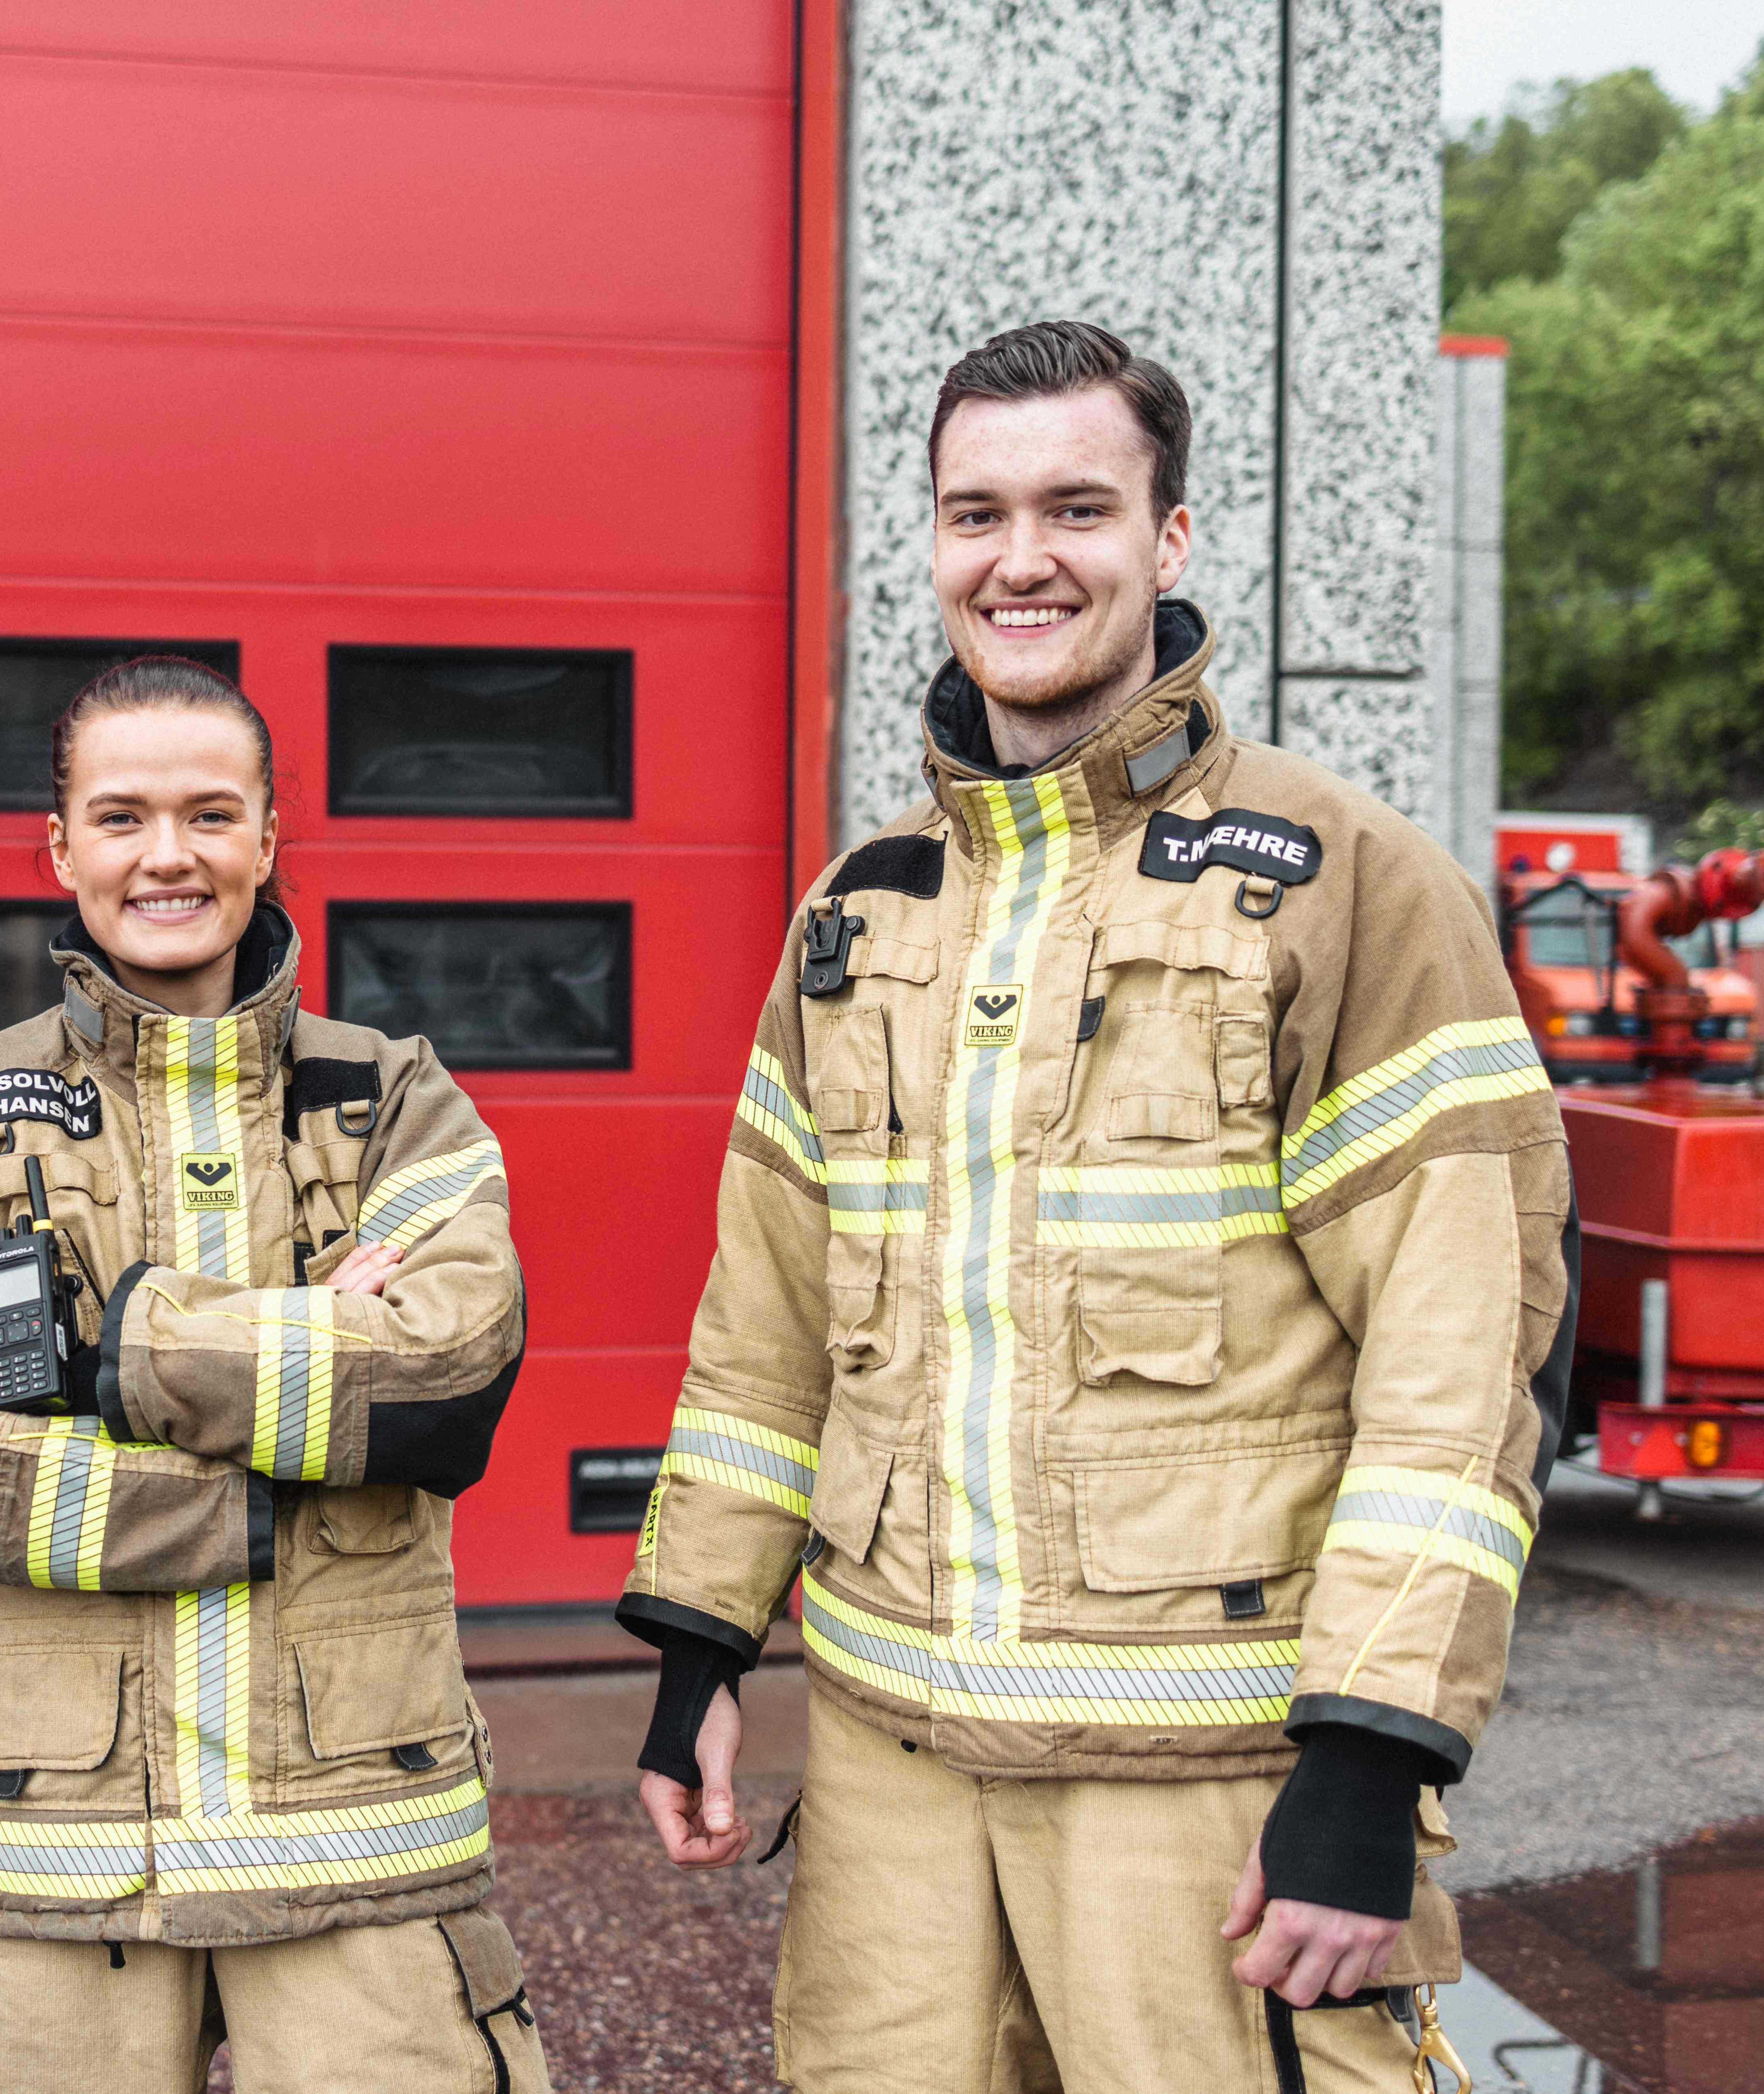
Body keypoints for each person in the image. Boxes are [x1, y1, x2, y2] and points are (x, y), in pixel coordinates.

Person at [619, 322, 1575, 2091]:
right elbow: (767, 1329)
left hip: (1205, 1795)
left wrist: (1375, 1756)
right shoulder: (860, 912)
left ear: (1170, 536)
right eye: (976, 513)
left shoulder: (1347, 881)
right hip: (896, 1786)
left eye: (1078, 508)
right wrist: (700, 1640)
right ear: (931, 541)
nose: (1023, 559)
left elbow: (1459, 1363)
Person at [0, 657, 549, 2092]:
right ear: (61, 847)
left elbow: (450, 1374)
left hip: (358, 1826)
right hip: (54, 1842)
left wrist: (116, 1353)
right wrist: (260, 1464)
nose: (169, 855)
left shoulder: (396, 1098)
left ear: (269, 838)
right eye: (123, 817)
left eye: (211, 814)